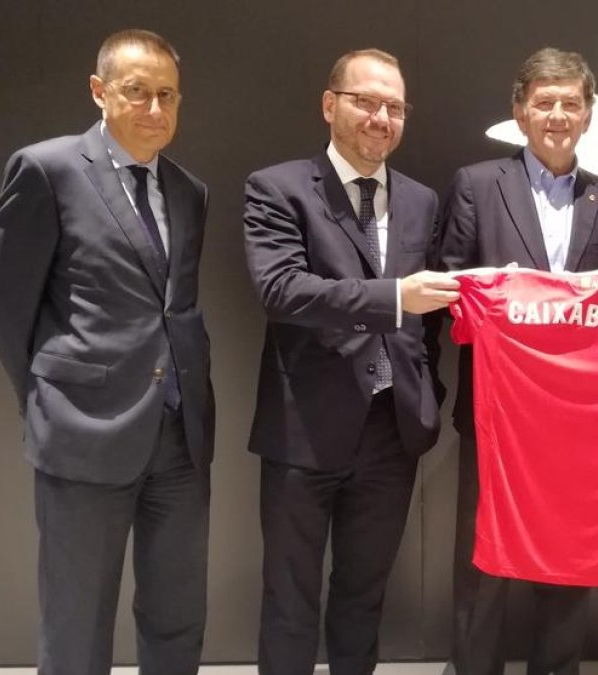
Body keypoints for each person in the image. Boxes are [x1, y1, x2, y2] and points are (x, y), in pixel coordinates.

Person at [0, 28, 214, 675]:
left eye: (168, 94)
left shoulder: (190, 192)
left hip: (179, 437)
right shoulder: (47, 170)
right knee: (77, 626)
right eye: (137, 92)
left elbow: (174, 308)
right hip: (82, 433)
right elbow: (3, 300)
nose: (155, 109)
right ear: (99, 90)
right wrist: (43, 398)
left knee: (177, 618)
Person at [242, 48, 459, 675]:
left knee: (364, 598)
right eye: (366, 101)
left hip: (391, 432)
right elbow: (282, 292)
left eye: (394, 106)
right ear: (330, 104)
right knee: (290, 600)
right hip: (303, 431)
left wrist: (425, 392)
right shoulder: (278, 188)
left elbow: (433, 318)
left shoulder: (421, 200)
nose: (381, 116)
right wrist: (394, 300)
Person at [434, 46, 598, 675]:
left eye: (570, 103)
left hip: (580, 419)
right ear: (520, 112)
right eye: (544, 102)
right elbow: (449, 286)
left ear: (588, 114)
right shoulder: (475, 184)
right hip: (497, 412)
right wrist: (507, 299)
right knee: (483, 557)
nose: (557, 115)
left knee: (568, 556)